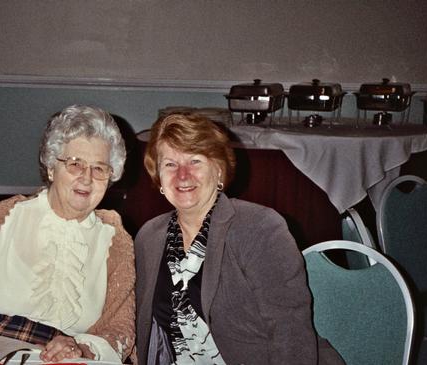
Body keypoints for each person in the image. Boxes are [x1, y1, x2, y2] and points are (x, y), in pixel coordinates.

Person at [0, 105, 135, 363]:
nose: (87, 178)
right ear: (52, 168)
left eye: (99, 168)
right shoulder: (1, 217)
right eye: (75, 164)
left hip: (62, 358)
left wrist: (80, 348)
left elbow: (120, 329)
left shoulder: (115, 239)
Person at [133, 114, 344, 364]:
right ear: (158, 176)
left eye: (195, 161)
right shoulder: (149, 237)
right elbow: (145, 329)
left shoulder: (258, 227)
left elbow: (290, 331)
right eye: (170, 164)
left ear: (219, 169)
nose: (183, 175)